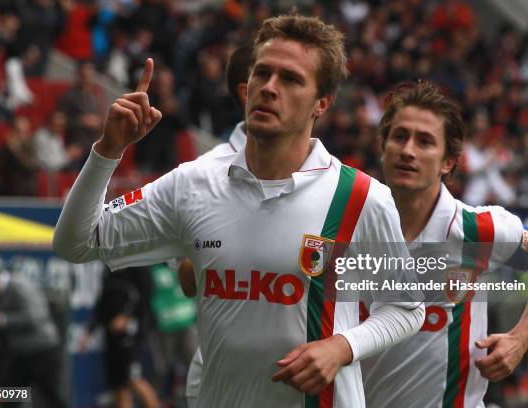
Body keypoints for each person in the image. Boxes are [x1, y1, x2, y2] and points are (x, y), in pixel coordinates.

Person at [54, 14, 425, 408]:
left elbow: (406, 307)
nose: (269, 88)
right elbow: (75, 243)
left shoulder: (360, 197)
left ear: (322, 103)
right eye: (263, 73)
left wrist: (342, 347)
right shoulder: (193, 183)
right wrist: (108, 151)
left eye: (290, 79)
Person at [362, 80, 528, 407]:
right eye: (399, 136)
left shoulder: (478, 229)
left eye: (425, 141)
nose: (408, 150)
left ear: (448, 162)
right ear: (383, 146)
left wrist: (522, 337)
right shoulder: (351, 223)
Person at [181, 44, 252, 408]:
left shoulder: (337, 184)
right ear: (247, 89)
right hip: (218, 380)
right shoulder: (205, 176)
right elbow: (188, 278)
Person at [0, 247, 66, 408]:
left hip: (42, 351)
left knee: (50, 397)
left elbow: (36, 317)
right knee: (9, 398)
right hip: (19, 354)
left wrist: (1, 319)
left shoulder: (19, 286)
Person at [79, 266, 159, 408]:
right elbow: (102, 303)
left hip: (131, 337)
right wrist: (88, 332)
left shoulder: (138, 266)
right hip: (112, 337)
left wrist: (129, 318)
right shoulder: (108, 268)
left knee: (135, 379)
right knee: (119, 385)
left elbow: (146, 297)